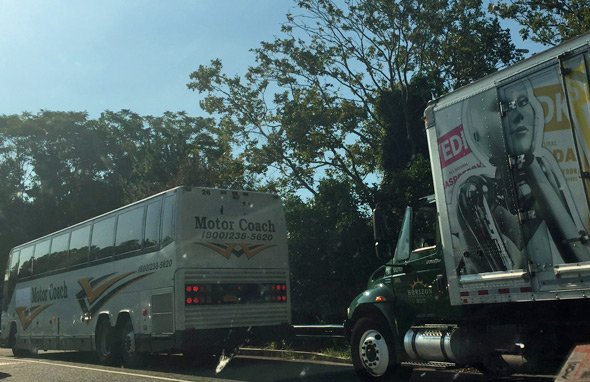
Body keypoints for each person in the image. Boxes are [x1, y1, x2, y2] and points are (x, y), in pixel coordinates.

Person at [455, 81, 590, 275]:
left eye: (523, 102)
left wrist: (533, 167)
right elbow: (505, 273)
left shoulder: (541, 167)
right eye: (499, 107)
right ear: (477, 136)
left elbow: (579, 260)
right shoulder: (475, 191)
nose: (518, 115)